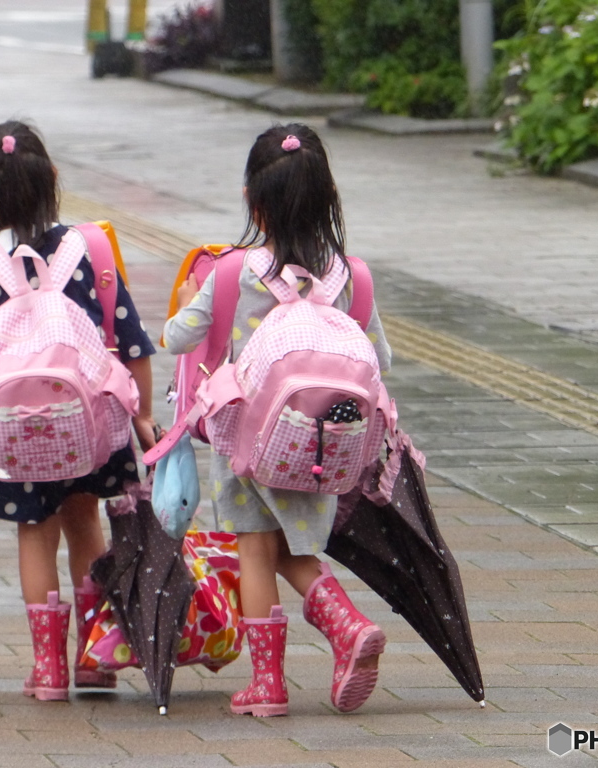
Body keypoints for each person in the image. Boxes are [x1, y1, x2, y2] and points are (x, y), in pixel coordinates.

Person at [162, 123, 392, 717]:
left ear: (252, 200)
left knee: (256, 553)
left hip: (245, 443)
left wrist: (193, 291)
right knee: (292, 550)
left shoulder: (234, 273)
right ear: (327, 199)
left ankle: (271, 683)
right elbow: (381, 360)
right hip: (318, 445)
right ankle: (345, 628)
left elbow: (175, 336)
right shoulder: (350, 277)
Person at [0, 120, 157, 702]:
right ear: (53, 178)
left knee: (34, 534)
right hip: (91, 428)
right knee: (85, 525)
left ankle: (48, 669)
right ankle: (96, 658)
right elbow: (130, 341)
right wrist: (145, 417)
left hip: (11, 437)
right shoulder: (91, 249)